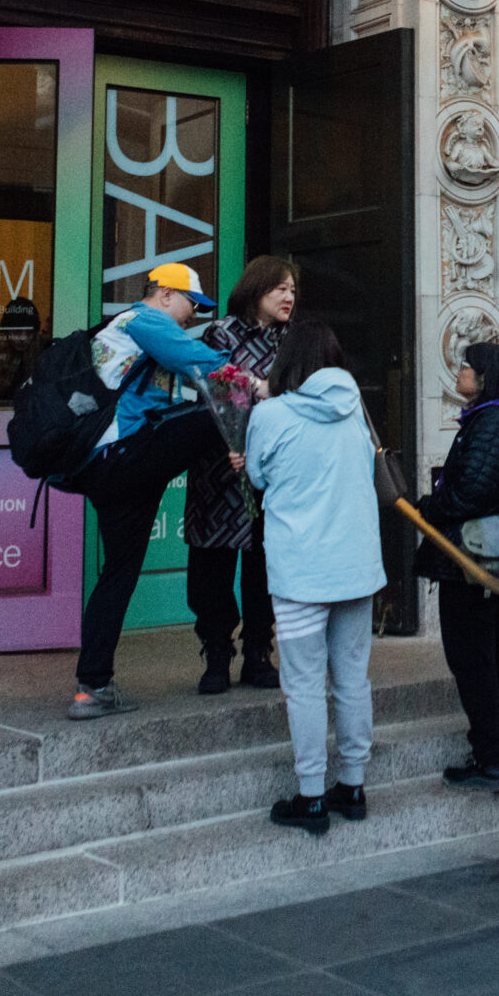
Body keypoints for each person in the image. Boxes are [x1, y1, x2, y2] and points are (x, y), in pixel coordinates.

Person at [62, 262, 233, 721]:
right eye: (191, 305)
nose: (192, 317)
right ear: (163, 294)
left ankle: (92, 687)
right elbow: (204, 366)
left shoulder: (124, 335)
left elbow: (172, 393)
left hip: (107, 470)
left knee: (117, 574)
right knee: (215, 413)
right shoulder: (143, 320)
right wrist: (256, 383)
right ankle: (245, 461)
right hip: (120, 457)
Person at [248, 320, 382, 834]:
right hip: (356, 569)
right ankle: (352, 784)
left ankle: (310, 795)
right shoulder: (354, 412)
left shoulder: (271, 414)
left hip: (301, 570)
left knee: (303, 685)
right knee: (352, 679)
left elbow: (258, 476)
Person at [419, 340, 499, 791]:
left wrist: (428, 504)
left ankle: (491, 757)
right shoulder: (498, 418)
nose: (460, 372)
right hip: (481, 560)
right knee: (494, 656)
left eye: (467, 366)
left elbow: (471, 492)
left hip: (471, 559)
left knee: (475, 659)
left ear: (485, 375)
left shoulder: (490, 422)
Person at [188, 255, 297, 694]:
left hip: (272, 475)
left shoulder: (296, 340)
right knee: (212, 569)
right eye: (280, 289)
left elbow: (304, 392)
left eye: (292, 290)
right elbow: (209, 389)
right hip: (220, 471)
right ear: (257, 290)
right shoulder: (222, 333)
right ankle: (216, 651)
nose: (289, 297)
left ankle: (258, 651)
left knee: (263, 566)